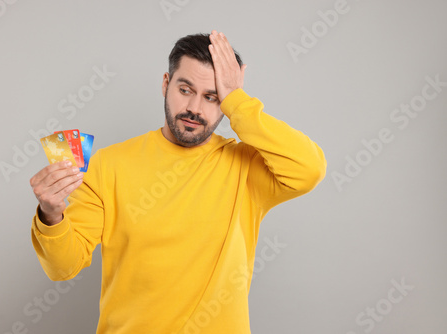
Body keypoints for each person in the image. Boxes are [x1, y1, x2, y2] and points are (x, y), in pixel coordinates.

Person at [30, 30, 327, 334]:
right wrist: (51, 215)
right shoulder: (108, 165)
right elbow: (63, 267)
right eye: (185, 89)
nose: (195, 109)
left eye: (212, 97)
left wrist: (238, 102)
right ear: (165, 84)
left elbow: (309, 168)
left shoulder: (246, 167)